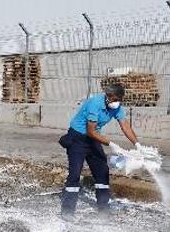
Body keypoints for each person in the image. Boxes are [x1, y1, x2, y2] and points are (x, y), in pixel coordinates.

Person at [59, 84, 144, 219]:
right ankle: (67, 212)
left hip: (93, 139)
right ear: (108, 96)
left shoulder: (117, 107)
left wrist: (138, 144)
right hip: (78, 138)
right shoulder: (95, 104)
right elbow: (90, 131)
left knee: (102, 172)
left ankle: (103, 209)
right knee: (75, 174)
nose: (116, 102)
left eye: (119, 99)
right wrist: (112, 145)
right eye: (114, 99)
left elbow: (125, 125)